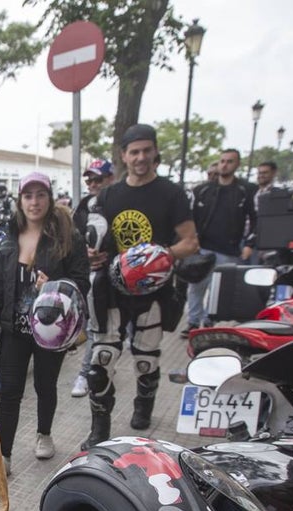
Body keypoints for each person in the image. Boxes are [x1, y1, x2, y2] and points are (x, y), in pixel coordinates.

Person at [83, 124, 199, 447]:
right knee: (101, 359)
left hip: (153, 292)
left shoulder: (171, 193)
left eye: (147, 150)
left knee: (146, 357)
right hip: (112, 290)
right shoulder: (108, 194)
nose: (141, 157)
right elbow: (95, 238)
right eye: (134, 151)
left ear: (155, 152)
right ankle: (100, 428)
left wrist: (159, 257)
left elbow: (191, 242)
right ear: (123, 156)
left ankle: (143, 405)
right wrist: (91, 254)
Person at [0, 172, 90, 474]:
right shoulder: (9, 239)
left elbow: (83, 282)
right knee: (10, 392)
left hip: (51, 332)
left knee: (46, 386)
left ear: (49, 197)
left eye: (40, 195)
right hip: (14, 331)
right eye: (28, 196)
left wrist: (57, 285)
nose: (34, 202)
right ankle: (3, 453)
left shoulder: (68, 237)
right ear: (20, 201)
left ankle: (44, 435)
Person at [182, 148, 257, 337]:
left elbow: (256, 219)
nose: (224, 165)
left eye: (229, 161)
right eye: (222, 161)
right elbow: (189, 217)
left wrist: (250, 243)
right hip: (203, 248)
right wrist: (192, 240)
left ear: (237, 164)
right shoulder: (203, 190)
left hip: (229, 249)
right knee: (196, 287)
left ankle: (209, 322)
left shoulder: (245, 191)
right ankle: (192, 322)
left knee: (218, 290)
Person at [70, 158, 116, 398]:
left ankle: (92, 371)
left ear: (110, 178)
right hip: (90, 278)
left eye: (97, 179)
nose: (92, 184)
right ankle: (88, 372)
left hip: (115, 279)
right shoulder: (85, 205)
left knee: (105, 331)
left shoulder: (119, 203)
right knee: (93, 327)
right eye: (89, 179)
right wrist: (84, 254)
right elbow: (72, 236)